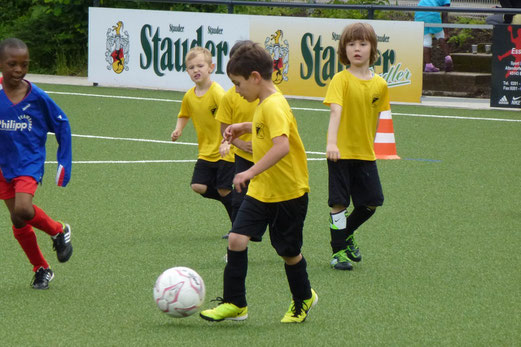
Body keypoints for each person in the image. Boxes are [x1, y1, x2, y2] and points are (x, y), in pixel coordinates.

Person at [200, 43, 317, 323]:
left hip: (288, 192)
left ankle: (304, 298)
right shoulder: (265, 102)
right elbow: (266, 128)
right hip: (262, 191)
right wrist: (245, 126)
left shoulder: (274, 104)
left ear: (255, 77)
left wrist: (248, 173)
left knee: (288, 252)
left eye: (238, 84)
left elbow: (281, 146)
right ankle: (235, 303)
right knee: (238, 239)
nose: (237, 90)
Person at [0, 38, 73, 289]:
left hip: (28, 163)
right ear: (1, 64)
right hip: (3, 165)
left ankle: (57, 230)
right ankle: (41, 267)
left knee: (22, 209)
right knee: (18, 220)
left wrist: (64, 164)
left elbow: (62, 124)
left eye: (24, 64)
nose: (19, 70)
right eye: (12, 64)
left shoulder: (38, 98)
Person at [324, 23, 390, 271]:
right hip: (340, 153)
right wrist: (332, 143)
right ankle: (338, 252)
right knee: (338, 203)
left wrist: (370, 146)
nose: (357, 49)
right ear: (344, 49)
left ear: (372, 48)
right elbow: (335, 112)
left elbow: (375, 120)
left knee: (371, 203)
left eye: (363, 44)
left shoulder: (381, 85)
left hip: (365, 154)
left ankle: (346, 233)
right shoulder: (340, 80)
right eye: (351, 44)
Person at [171, 47, 235, 233]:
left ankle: (238, 227)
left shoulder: (218, 93)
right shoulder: (189, 96)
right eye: (191, 67)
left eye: (200, 65)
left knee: (224, 190)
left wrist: (226, 141)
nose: (196, 70)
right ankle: (239, 204)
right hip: (206, 152)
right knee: (198, 186)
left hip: (225, 151)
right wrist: (178, 129)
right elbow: (184, 114)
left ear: (211, 67)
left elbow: (230, 118)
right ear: (187, 71)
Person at [216, 40, 257, 239]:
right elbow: (224, 127)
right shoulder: (230, 96)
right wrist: (240, 143)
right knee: (239, 198)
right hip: (242, 156)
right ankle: (238, 235)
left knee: (270, 199)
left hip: (267, 156)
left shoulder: (267, 94)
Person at [414, 0, 453, 72]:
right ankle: (448, 57)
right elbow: (444, 14)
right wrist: (446, 32)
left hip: (419, 13)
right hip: (432, 14)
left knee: (425, 40)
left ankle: (428, 65)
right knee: (441, 35)